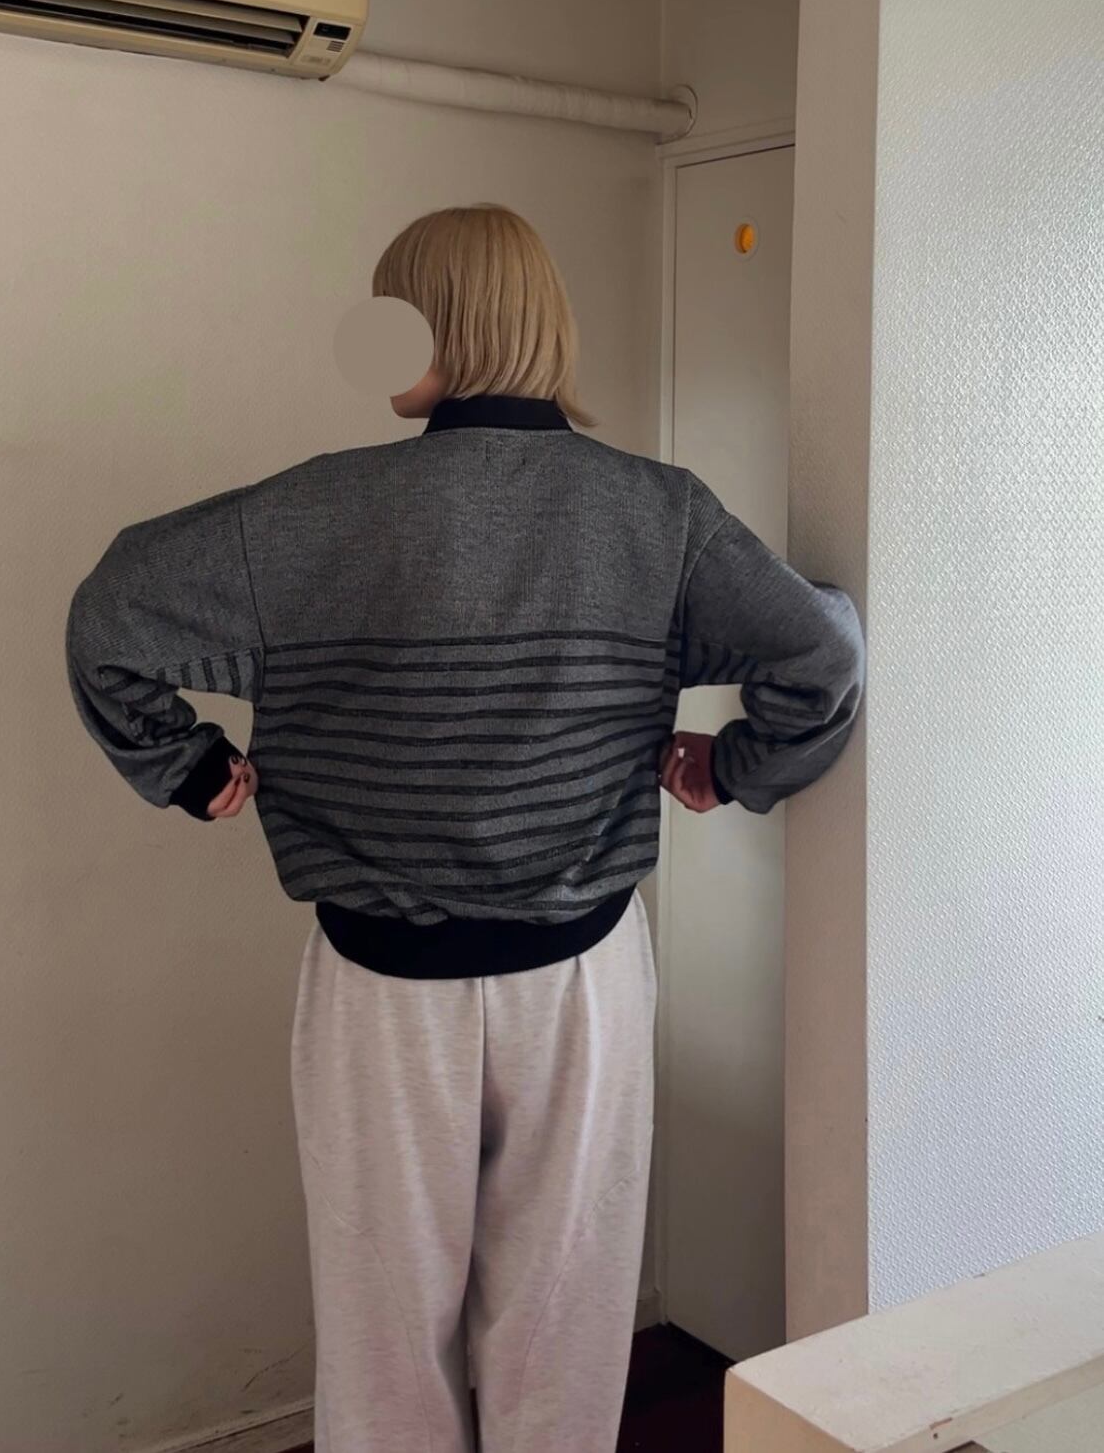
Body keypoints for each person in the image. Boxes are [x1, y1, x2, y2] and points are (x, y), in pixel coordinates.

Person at [66, 203, 864, 1453]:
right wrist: (735, 767)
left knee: (383, 1341)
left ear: (441, 326)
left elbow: (107, 614)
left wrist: (188, 766)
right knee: (565, 1325)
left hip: (378, 991)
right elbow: (822, 651)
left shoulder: (305, 515)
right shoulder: (657, 513)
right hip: (580, 982)